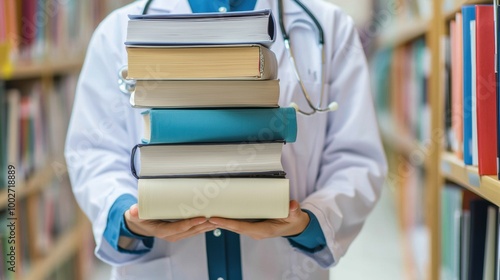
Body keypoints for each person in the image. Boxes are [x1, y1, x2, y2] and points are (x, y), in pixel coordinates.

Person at [64, 0, 387, 279]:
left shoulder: (330, 28)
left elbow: (356, 158)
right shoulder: (116, 34)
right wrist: (127, 215)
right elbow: (93, 152)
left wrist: (311, 219)